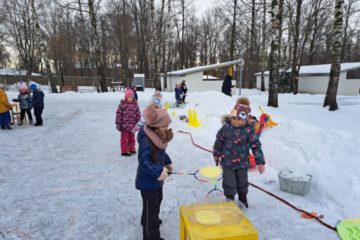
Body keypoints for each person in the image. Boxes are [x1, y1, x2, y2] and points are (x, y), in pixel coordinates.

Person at [213, 103, 265, 208]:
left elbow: (256, 146)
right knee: (229, 181)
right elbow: (219, 141)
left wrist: (260, 162)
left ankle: (242, 198)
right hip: (227, 162)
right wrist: (216, 154)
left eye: (239, 119)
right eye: (233, 118)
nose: (236, 121)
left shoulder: (249, 130)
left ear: (245, 119)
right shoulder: (226, 128)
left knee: (242, 182)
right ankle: (230, 199)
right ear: (230, 118)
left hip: (242, 163)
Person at [135, 104, 174, 240]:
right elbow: (144, 161)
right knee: (150, 207)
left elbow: (161, 153)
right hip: (147, 181)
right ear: (155, 126)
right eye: (164, 126)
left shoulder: (158, 136)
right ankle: (151, 235)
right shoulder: (147, 139)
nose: (167, 128)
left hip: (156, 180)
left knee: (156, 202)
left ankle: (147, 219)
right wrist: (158, 172)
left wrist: (167, 162)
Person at [115, 88, 141, 156]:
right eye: (128, 97)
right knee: (125, 139)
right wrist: (118, 123)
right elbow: (119, 114)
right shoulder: (122, 105)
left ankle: (132, 149)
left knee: (132, 138)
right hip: (124, 126)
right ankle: (124, 151)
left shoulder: (135, 105)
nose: (130, 98)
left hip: (132, 125)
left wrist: (138, 122)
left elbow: (138, 114)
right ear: (126, 97)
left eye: (131, 97)